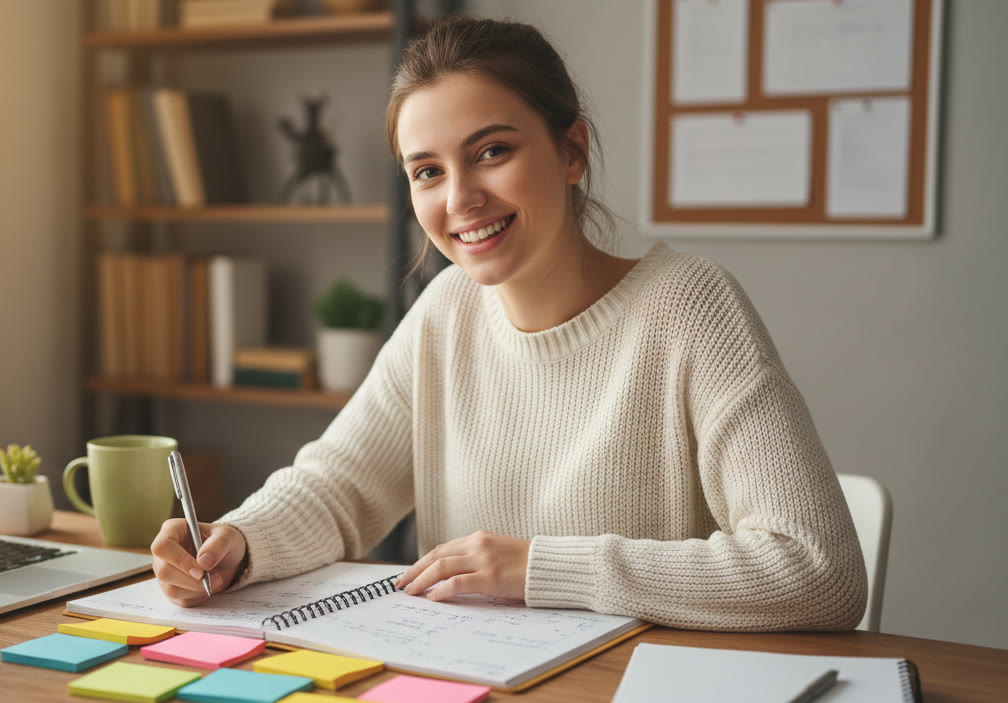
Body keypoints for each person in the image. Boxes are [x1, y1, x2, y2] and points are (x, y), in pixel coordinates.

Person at [149, 16, 867, 632]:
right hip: (475, 698)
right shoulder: (446, 310)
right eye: (427, 171)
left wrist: (540, 569)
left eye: (492, 152)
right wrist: (238, 540)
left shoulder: (690, 308)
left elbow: (818, 570)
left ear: (572, 151)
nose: (460, 199)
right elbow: (339, 487)